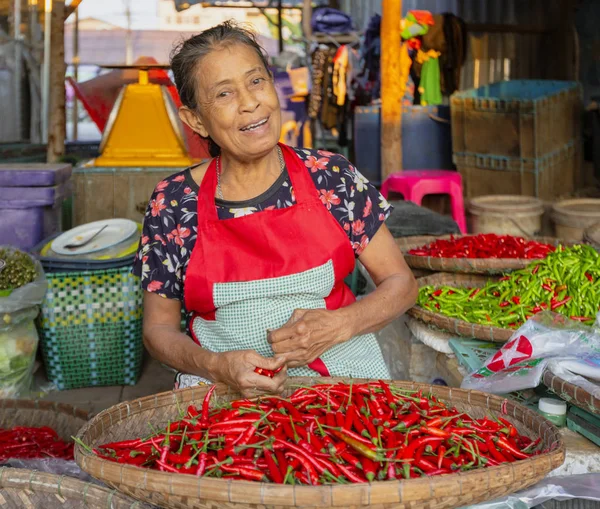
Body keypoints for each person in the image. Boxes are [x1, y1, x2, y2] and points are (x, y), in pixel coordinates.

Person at [133, 21, 418, 398]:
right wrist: (218, 366)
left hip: (341, 377)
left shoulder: (331, 177)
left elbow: (402, 285)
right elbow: (157, 331)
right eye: (224, 94)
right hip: (224, 386)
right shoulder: (173, 202)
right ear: (196, 120)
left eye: (256, 81)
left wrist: (340, 324)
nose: (250, 102)